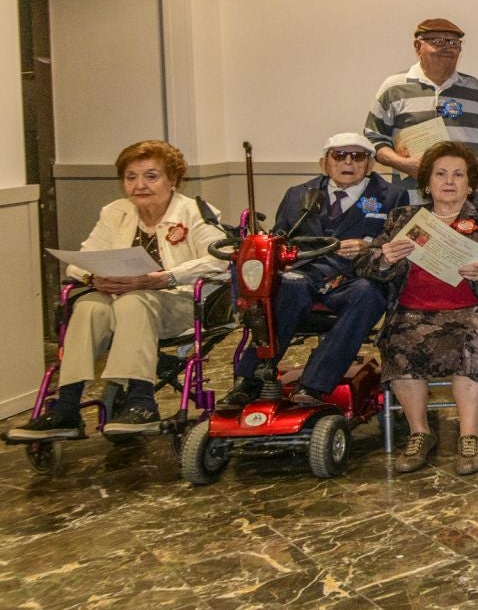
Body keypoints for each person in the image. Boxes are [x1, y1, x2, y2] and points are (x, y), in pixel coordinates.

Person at [12, 141, 224, 440]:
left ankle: (142, 401)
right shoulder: (115, 212)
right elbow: (81, 261)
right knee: (88, 306)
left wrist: (164, 278)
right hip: (120, 300)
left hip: (179, 303)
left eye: (151, 176)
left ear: (172, 179)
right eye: (130, 177)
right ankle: (67, 408)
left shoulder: (195, 212)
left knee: (133, 301)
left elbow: (220, 260)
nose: (140, 185)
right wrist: (93, 277)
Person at [359, 142, 478, 475]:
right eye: (441, 174)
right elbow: (365, 263)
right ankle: (420, 433)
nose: (449, 181)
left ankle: (469, 436)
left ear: (470, 183)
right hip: (413, 307)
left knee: (467, 338)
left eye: (458, 175)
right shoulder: (403, 218)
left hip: (474, 307)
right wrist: (385, 256)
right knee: (398, 339)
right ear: (427, 182)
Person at [222, 134, 397, 409]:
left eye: (357, 156)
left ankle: (314, 383)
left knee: (369, 293)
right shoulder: (298, 195)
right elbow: (280, 238)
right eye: (339, 155)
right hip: (306, 273)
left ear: (370, 164)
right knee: (288, 286)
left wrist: (369, 246)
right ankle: (251, 380)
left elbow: (398, 242)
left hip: (354, 277)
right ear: (323, 163)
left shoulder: (391, 196)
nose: (348, 162)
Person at [365, 17, 478, 197]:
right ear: (418, 46)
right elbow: (373, 139)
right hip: (412, 199)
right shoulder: (394, 88)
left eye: (454, 43)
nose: (447, 48)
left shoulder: (475, 89)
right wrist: (403, 164)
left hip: (468, 201)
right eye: (438, 41)